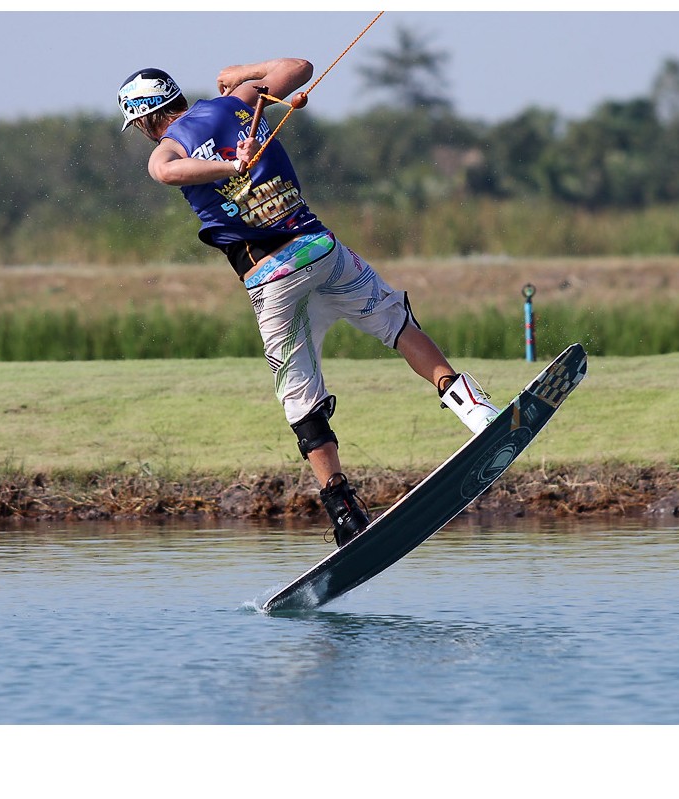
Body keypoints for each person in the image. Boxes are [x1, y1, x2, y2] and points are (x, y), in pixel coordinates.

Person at [118, 59, 499, 547]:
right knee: (396, 324)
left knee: (299, 394)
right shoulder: (240, 102)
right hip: (321, 250)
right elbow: (299, 66)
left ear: (148, 120)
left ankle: (343, 510)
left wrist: (229, 167)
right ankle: (476, 412)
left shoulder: (168, 145)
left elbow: (165, 171)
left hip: (272, 279)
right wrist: (238, 75)